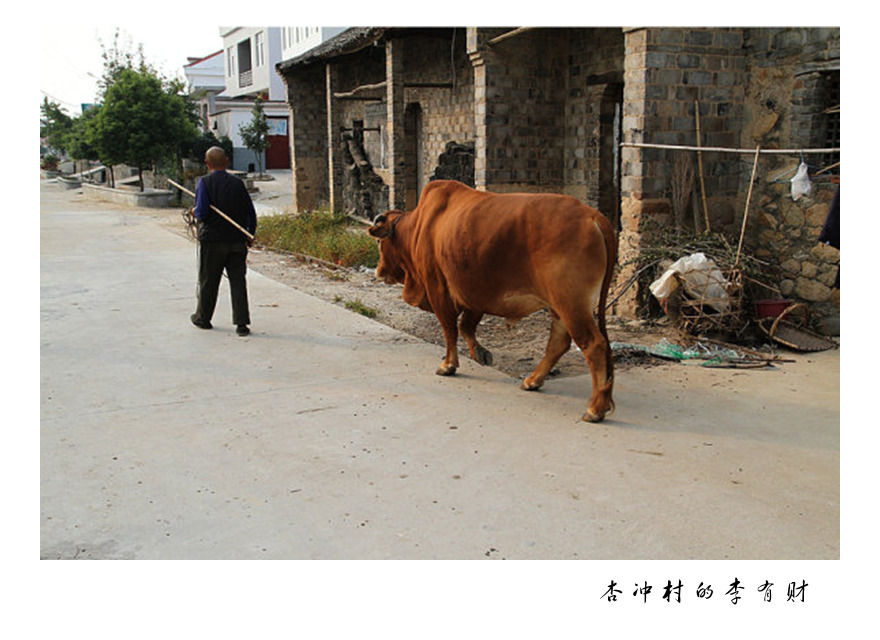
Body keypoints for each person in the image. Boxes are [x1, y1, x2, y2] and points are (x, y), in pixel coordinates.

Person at [189, 146, 258, 336]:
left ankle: (203, 318)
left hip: (212, 242)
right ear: (226, 161)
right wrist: (250, 234)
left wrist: (195, 212)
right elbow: (250, 213)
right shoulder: (238, 184)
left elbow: (202, 213)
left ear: (207, 163)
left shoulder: (205, 183)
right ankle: (242, 324)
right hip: (237, 241)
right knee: (238, 282)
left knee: (209, 281)